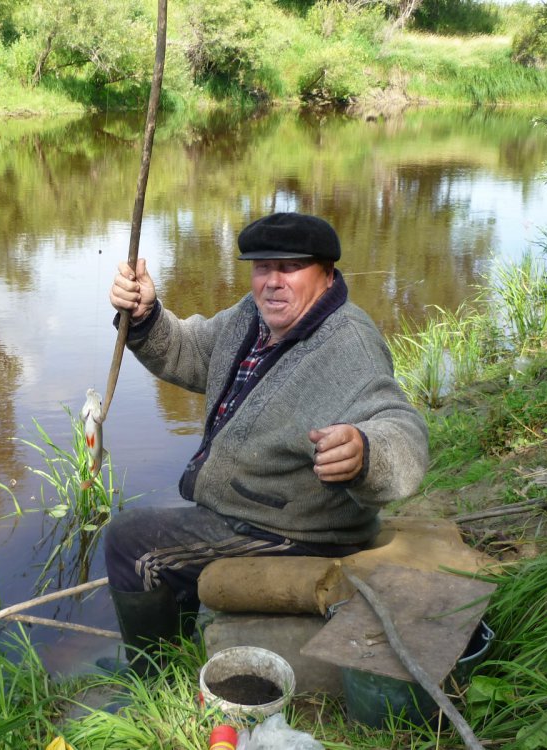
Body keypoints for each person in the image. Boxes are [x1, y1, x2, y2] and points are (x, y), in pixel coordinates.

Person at [102, 212, 428, 671]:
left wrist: (365, 453)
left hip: (296, 532)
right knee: (153, 539)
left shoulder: (348, 345)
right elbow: (193, 352)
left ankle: (151, 676)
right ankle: (181, 653)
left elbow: (404, 433)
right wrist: (144, 316)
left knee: (131, 543)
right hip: (245, 513)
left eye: (290, 267)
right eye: (262, 266)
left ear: (326, 273)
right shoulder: (251, 315)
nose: (272, 282)